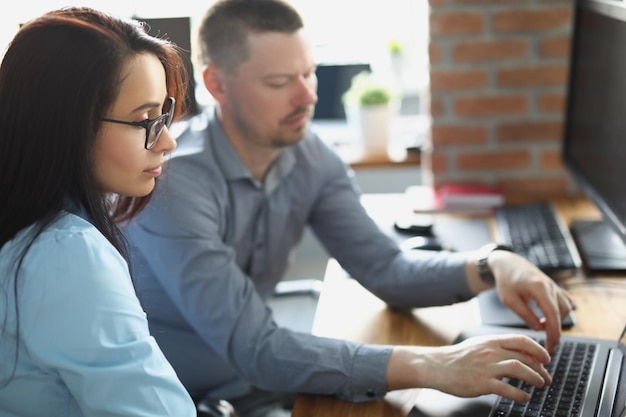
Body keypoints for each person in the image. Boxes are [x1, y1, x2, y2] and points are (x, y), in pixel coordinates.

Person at [123, 0, 574, 415]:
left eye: (309, 73)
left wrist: (493, 264)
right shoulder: (174, 182)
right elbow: (258, 349)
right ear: (216, 84)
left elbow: (386, 268)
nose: (308, 96)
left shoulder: (311, 155)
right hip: (176, 398)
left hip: (254, 380)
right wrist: (435, 365)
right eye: (280, 82)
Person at [0, 7, 197, 417]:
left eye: (164, 113)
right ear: (65, 124)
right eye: (145, 120)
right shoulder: (66, 253)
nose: (167, 142)